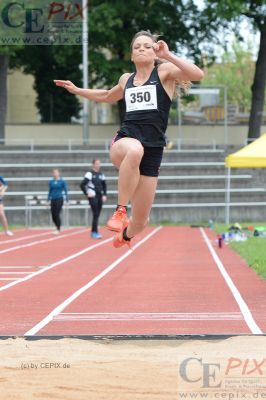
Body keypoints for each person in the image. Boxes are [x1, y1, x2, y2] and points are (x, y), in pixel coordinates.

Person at [54, 31, 204, 248]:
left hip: (153, 150)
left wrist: (169, 55)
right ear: (132, 56)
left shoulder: (163, 72)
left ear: (155, 52)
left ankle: (125, 235)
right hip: (124, 142)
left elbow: (197, 74)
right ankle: (120, 210)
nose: (141, 48)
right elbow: (106, 95)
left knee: (142, 222)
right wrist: (77, 90)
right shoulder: (127, 79)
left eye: (146, 46)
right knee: (135, 149)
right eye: (137, 47)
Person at [80, 159, 107, 239]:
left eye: (99, 163)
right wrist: (87, 193)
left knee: (97, 214)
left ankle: (93, 232)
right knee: (95, 213)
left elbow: (104, 185)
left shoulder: (101, 174)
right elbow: (82, 184)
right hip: (93, 196)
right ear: (93, 164)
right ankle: (95, 232)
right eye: (97, 164)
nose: (98, 165)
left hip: (100, 196)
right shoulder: (89, 174)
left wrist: (104, 195)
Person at [47, 169, 68, 234]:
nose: (55, 174)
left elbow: (66, 190)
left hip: (59, 198)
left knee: (57, 213)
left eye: (56, 173)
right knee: (53, 215)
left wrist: (67, 200)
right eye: (54, 173)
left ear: (59, 173)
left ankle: (58, 229)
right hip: (53, 199)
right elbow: (50, 191)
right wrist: (48, 200)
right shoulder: (51, 181)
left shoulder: (62, 181)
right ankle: (57, 226)